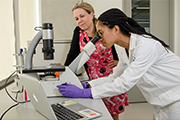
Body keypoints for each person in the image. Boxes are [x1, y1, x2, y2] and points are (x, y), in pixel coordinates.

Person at [57, 8, 180, 120]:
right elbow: (114, 77)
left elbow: (124, 83)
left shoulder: (146, 46)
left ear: (115, 29)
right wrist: (87, 85)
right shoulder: (124, 50)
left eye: (101, 33)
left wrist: (85, 93)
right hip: (161, 103)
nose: (99, 38)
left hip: (176, 100)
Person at [63, 2, 128, 120]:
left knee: (113, 114)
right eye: (76, 18)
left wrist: (120, 62)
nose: (79, 21)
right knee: (97, 112)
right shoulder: (78, 32)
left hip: (112, 75)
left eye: (82, 16)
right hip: (94, 78)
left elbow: (116, 47)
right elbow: (72, 55)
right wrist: (64, 73)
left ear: (91, 14)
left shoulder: (103, 29)